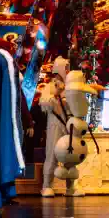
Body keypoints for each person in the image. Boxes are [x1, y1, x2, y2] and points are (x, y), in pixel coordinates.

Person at [39, 57, 83, 197]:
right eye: (66, 67)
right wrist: (56, 96)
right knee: (52, 153)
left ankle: (71, 187)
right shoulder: (50, 86)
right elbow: (44, 102)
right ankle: (47, 185)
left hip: (70, 124)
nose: (67, 70)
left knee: (71, 154)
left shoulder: (71, 86)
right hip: (56, 123)